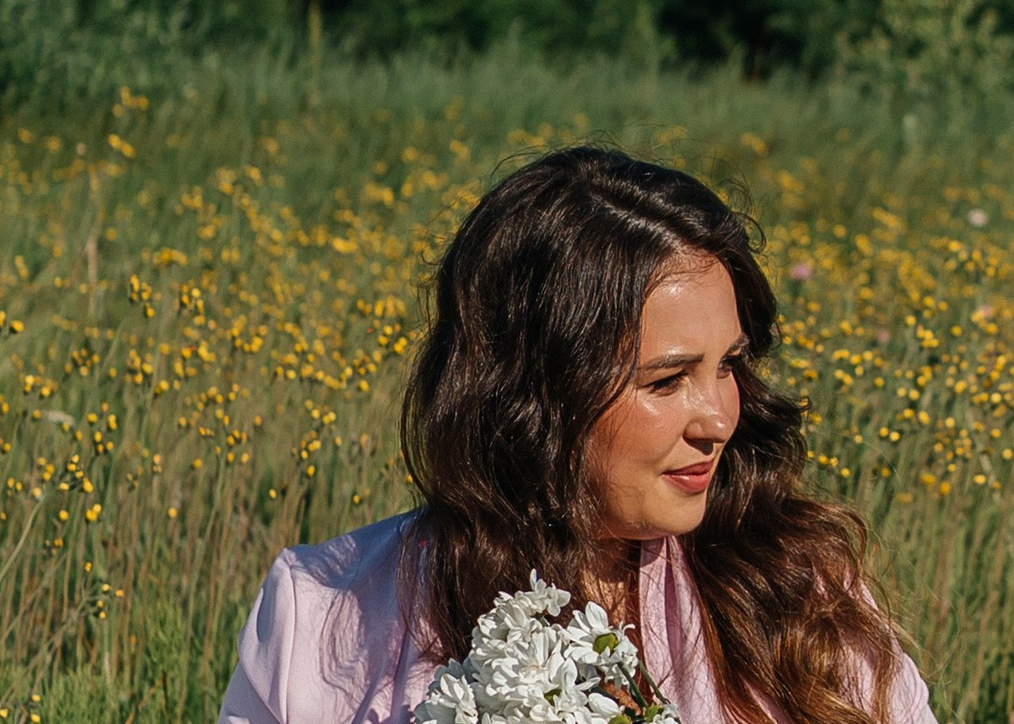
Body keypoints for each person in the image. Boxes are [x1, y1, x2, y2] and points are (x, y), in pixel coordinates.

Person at [218, 145, 938, 724]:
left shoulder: (797, 590)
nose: (720, 417)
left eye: (729, 365)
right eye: (665, 379)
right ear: (535, 396)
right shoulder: (324, 614)